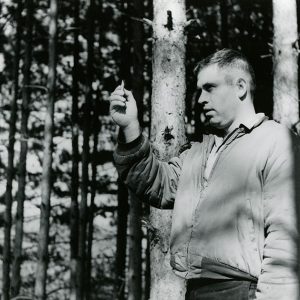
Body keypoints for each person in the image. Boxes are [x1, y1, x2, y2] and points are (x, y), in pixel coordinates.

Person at [109, 49, 299, 300]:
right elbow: (155, 182)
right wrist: (130, 126)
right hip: (196, 290)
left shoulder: (277, 141)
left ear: (240, 87)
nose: (200, 99)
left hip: (244, 292)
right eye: (199, 90)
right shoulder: (198, 152)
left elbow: (284, 238)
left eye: (210, 88)